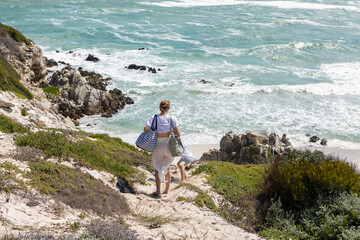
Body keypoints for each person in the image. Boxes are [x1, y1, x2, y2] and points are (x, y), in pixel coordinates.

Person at [144, 100, 180, 196]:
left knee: (157, 166)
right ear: (169, 108)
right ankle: (167, 190)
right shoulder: (172, 118)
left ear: (160, 107)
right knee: (167, 166)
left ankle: (158, 190)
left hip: (158, 145)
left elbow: (146, 129)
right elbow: (178, 133)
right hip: (168, 144)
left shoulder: (154, 117)